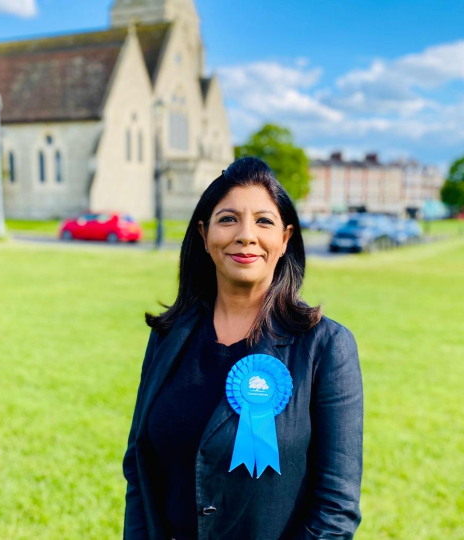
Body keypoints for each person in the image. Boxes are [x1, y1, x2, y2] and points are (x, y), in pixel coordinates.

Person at [123, 157, 363, 540]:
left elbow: (336, 508)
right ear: (204, 235)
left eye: (264, 221)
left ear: (285, 239)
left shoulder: (326, 347)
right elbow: (139, 470)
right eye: (228, 219)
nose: (246, 235)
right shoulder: (168, 338)